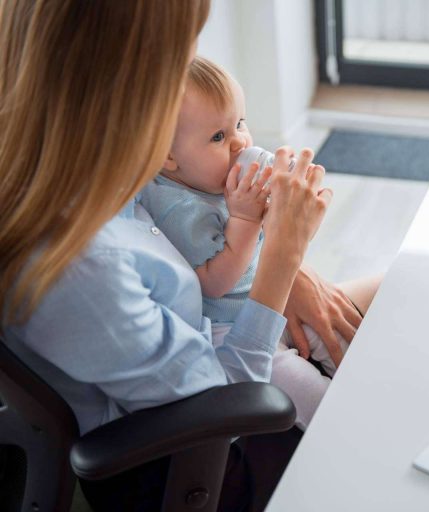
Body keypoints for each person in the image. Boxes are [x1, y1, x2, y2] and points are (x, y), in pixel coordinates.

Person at [0, 1, 379, 510]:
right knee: (386, 384)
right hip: (211, 460)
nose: (190, 67)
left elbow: (189, 241)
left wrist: (287, 266)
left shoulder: (83, 174)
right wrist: (284, 258)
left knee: (402, 289)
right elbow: (230, 397)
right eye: (180, 54)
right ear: (124, 83)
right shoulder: (84, 270)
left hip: (219, 341)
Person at [140, 56, 349, 430]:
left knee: (339, 341)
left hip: (266, 302)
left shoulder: (211, 179)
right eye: (219, 137)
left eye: (240, 123)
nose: (241, 143)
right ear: (167, 156)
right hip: (230, 327)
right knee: (303, 389)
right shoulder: (179, 208)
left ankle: (366, 390)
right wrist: (247, 220)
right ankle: (341, 427)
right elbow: (215, 283)